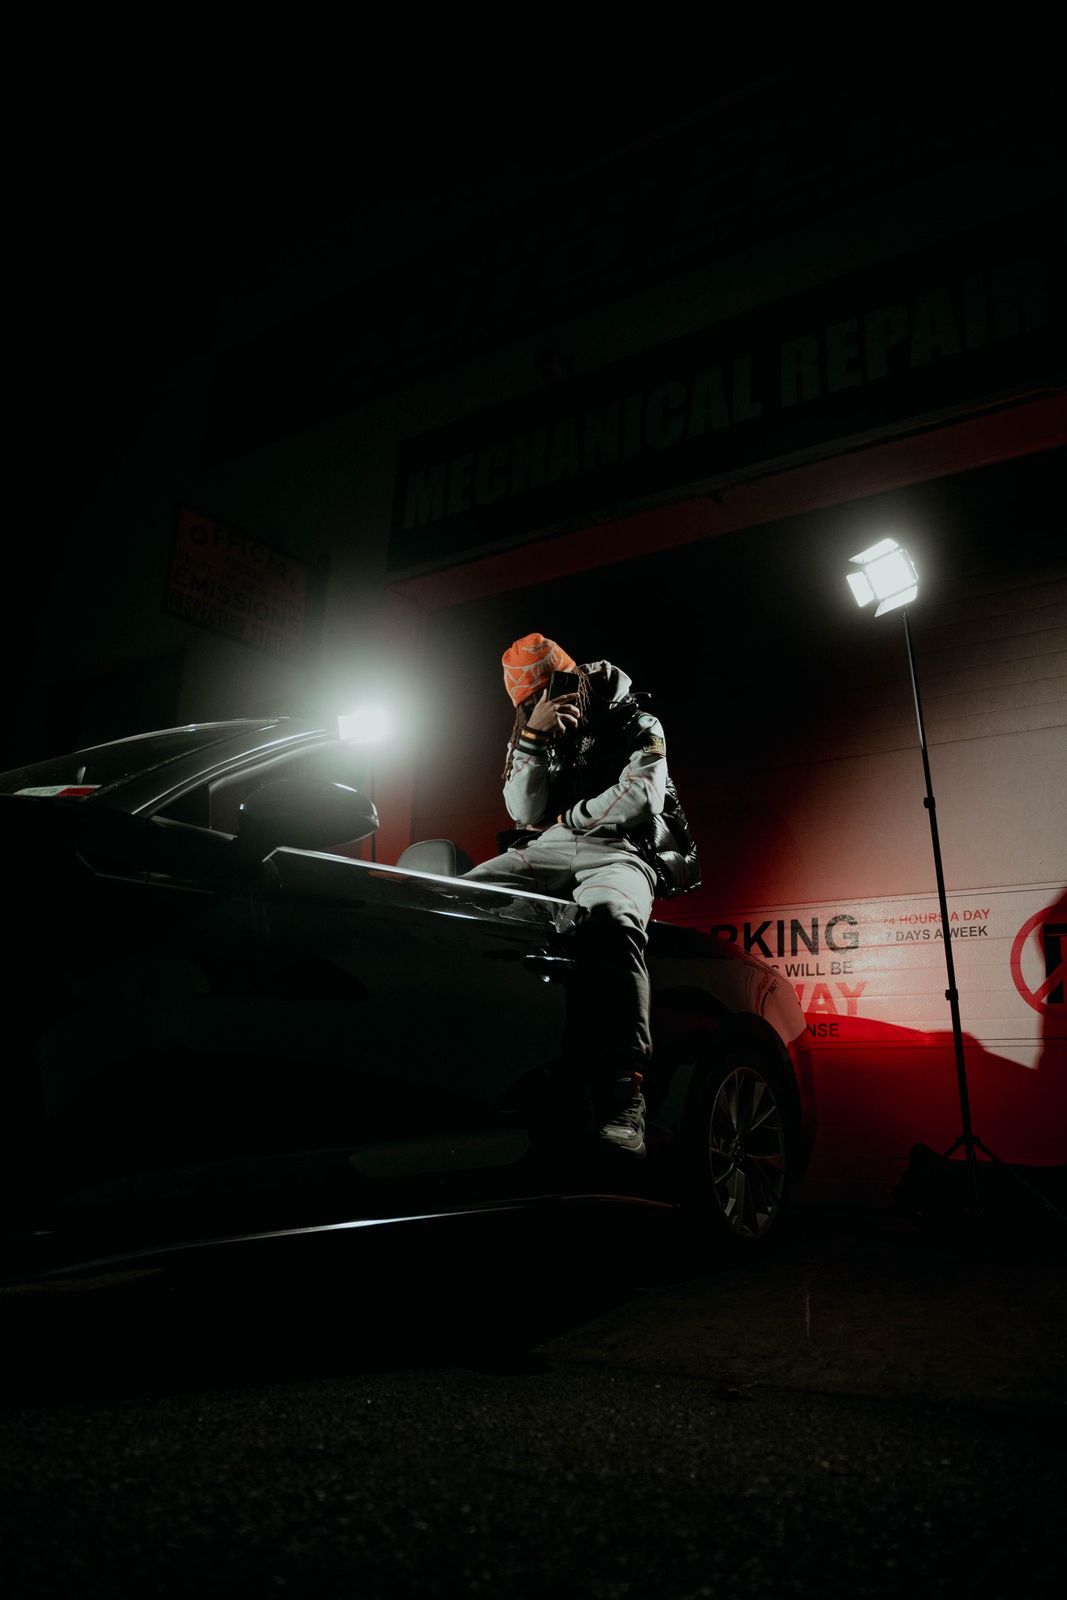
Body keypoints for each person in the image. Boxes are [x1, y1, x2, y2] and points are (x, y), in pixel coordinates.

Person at [464, 633, 698, 1158]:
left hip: (618, 849)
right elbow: (523, 812)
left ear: (577, 677)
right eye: (531, 699)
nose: (547, 701)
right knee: (459, 898)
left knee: (612, 921)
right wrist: (534, 738)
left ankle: (624, 1095)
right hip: (547, 847)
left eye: (555, 688)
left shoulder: (634, 719)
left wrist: (572, 816)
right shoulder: (533, 730)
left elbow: (643, 795)